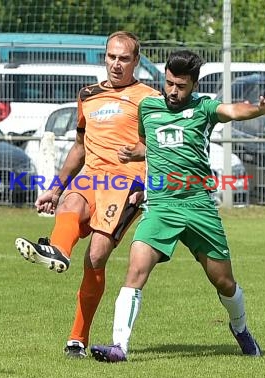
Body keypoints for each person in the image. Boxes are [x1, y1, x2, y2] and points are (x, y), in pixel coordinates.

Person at [90, 50, 265, 362]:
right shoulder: (149, 107)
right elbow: (148, 143)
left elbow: (233, 110)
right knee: (136, 270)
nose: (173, 91)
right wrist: (134, 154)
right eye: (168, 83)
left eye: (180, 86)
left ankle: (241, 328)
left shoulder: (204, 108)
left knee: (224, 282)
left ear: (193, 85)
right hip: (161, 206)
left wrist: (261, 110)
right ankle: (119, 347)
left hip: (198, 207)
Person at [14, 31, 160, 358]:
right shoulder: (88, 95)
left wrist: (149, 178)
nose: (116, 64)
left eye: (124, 58)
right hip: (92, 176)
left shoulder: (150, 99)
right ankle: (57, 251)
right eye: (111, 57)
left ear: (136, 61)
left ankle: (77, 338)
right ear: (104, 57)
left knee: (95, 257)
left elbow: (162, 146)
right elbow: (80, 147)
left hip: (127, 185)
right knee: (69, 201)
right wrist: (55, 187)